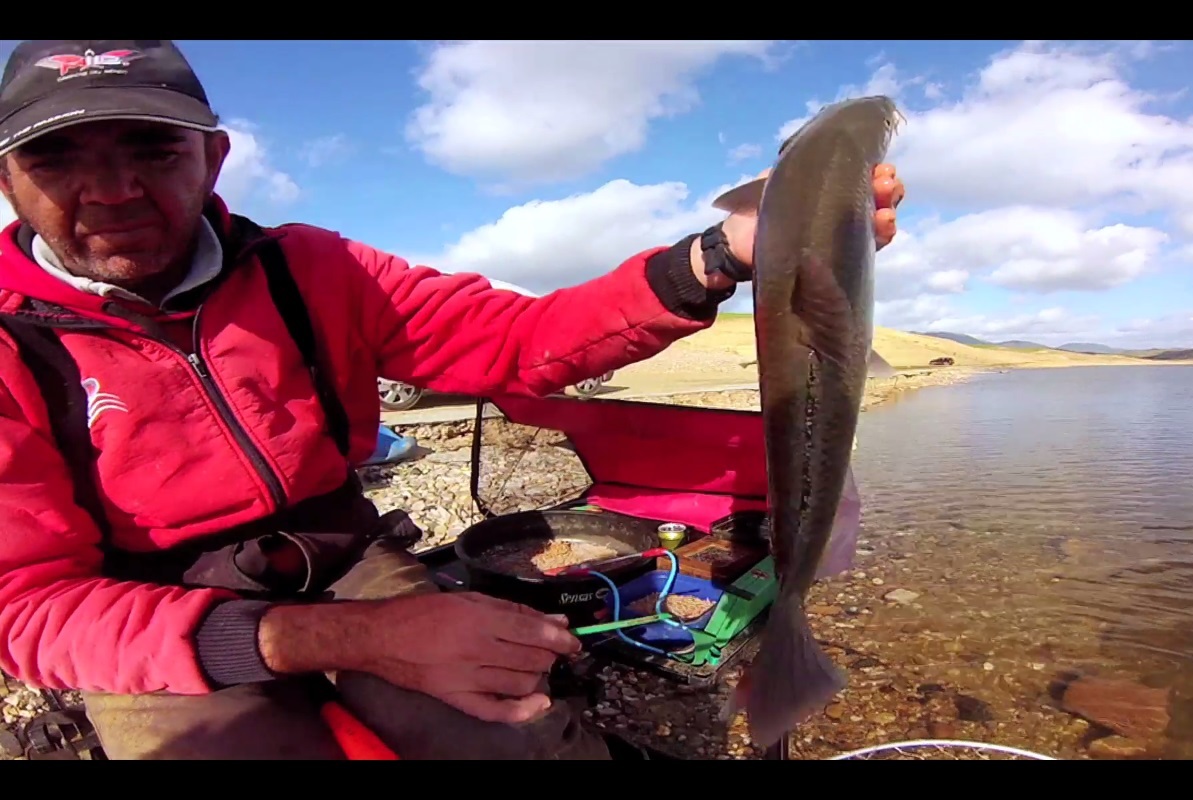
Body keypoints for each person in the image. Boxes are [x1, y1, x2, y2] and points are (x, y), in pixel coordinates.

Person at [0, 40, 907, 760]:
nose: (113, 190)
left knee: (519, 734)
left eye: (152, 148)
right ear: (7, 175)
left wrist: (715, 256)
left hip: (342, 553)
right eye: (56, 156)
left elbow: (514, 343)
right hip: (133, 604)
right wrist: (352, 644)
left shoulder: (314, 267)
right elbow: (25, 605)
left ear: (213, 155)